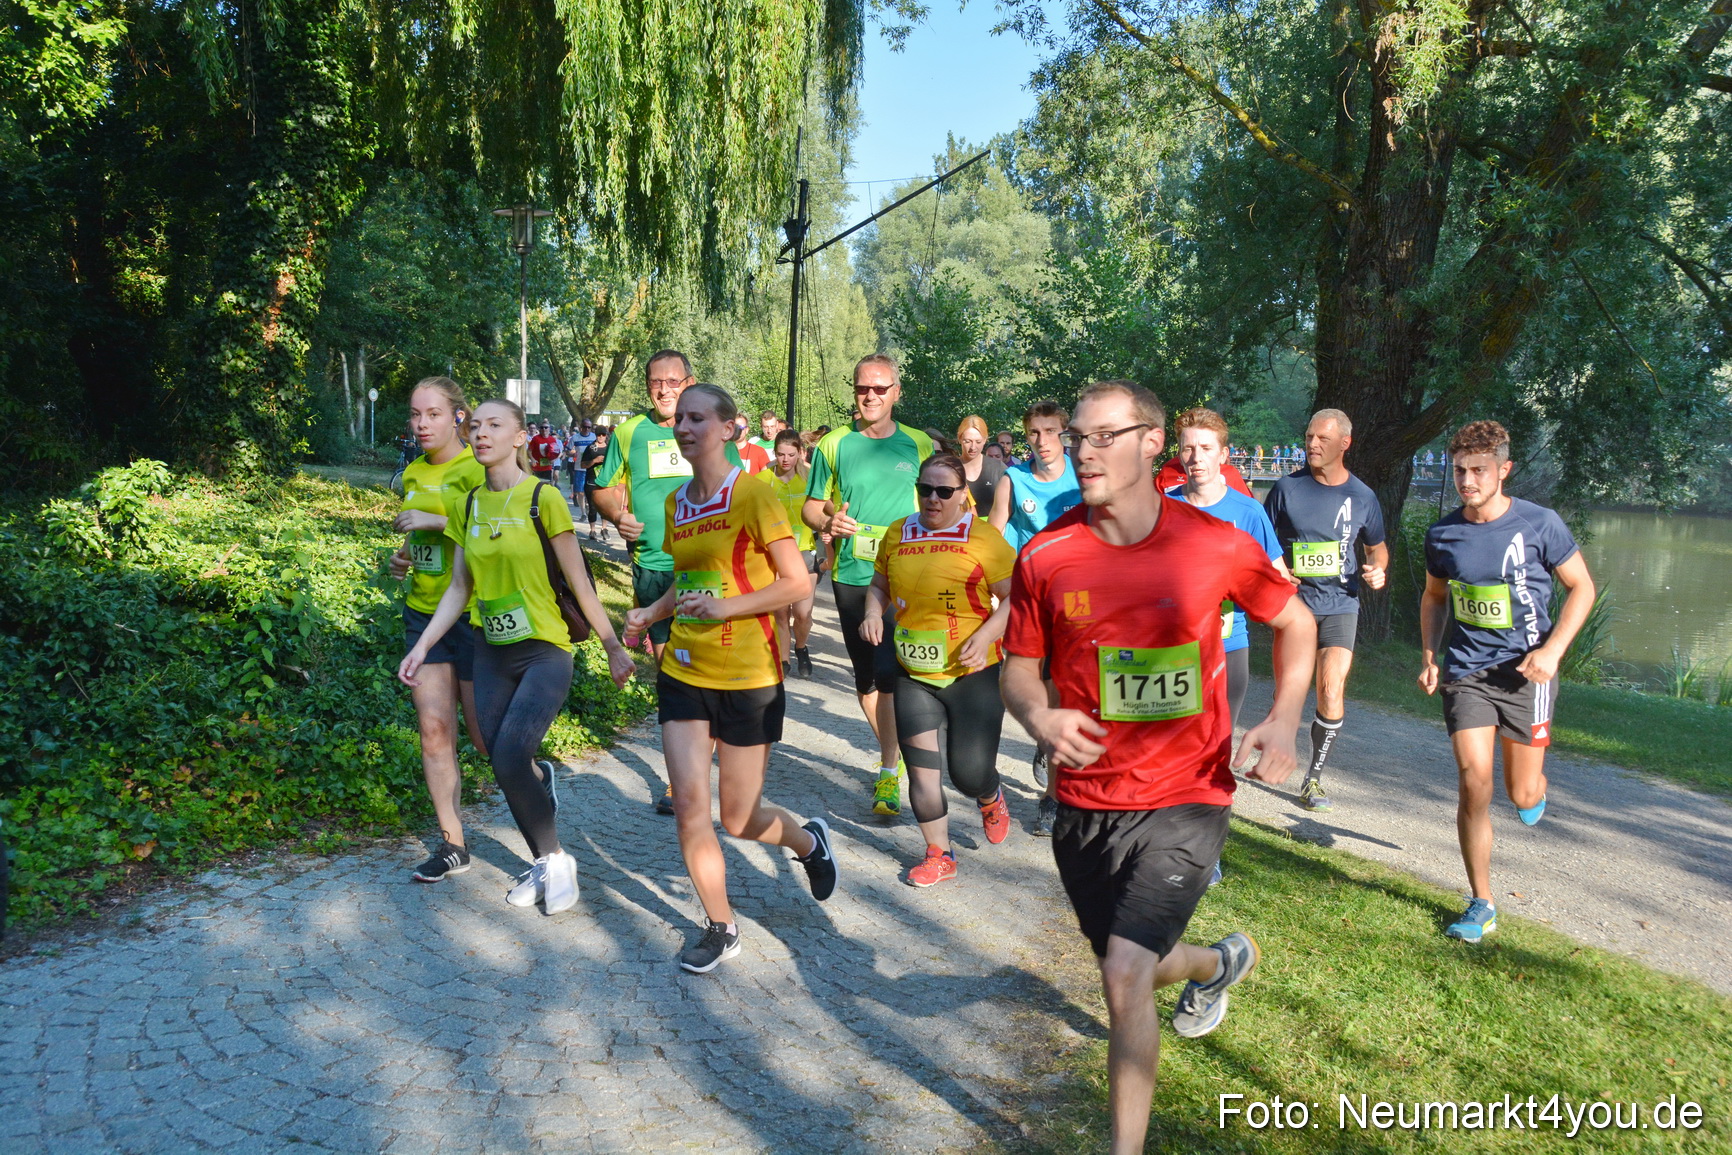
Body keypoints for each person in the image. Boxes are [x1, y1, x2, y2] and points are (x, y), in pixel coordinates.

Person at [1001, 381, 1316, 1155]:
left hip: (1187, 795)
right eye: (1077, 436)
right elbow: (1016, 667)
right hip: (1084, 801)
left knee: (1123, 975)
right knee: (1127, 962)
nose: (1082, 450)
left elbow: (1297, 620)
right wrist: (1038, 715)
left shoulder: (1212, 542)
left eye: (1105, 435)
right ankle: (1217, 961)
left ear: (1151, 443)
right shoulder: (1046, 553)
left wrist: (1281, 717)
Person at [623, 383, 834, 973]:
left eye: (697, 418)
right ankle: (721, 925)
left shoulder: (755, 496)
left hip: (748, 674)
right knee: (691, 803)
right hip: (685, 671)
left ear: (726, 428)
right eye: (680, 419)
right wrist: (651, 612)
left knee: (738, 817)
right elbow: (687, 584)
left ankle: (809, 842)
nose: (685, 427)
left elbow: (797, 584)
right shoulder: (674, 503)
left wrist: (730, 608)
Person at [399, 399, 636, 914]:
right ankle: (546, 861)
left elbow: (578, 580)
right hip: (490, 651)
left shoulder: (543, 498)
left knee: (508, 755)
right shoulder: (468, 506)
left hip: (544, 651)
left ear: (519, 437)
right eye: (476, 426)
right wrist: (421, 646)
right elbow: (460, 587)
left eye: (494, 426)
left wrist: (613, 646)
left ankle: (554, 860)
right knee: (500, 757)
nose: (481, 434)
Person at [1419, 420, 1595, 942]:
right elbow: (1433, 597)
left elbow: (1581, 588)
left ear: (1504, 469)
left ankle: (1533, 791)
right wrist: (1431, 654)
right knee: (1474, 782)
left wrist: (1553, 651)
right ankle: (1482, 902)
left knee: (1520, 793)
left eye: (1478, 470)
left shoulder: (1541, 524)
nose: (1467, 481)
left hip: (1527, 675)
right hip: (1467, 671)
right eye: (1459, 471)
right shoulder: (1443, 533)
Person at [593, 350, 743, 812]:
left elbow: (736, 489)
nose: (663, 390)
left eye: (672, 382)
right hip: (653, 567)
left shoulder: (707, 427)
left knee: (704, 669)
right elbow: (601, 487)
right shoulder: (628, 432)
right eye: (655, 382)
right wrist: (617, 514)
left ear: (688, 382)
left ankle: (693, 770)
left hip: (704, 570)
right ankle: (688, 774)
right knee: (671, 673)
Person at [862, 453, 1016, 886]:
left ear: (961, 495)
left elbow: (1017, 597)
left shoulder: (983, 538)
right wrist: (874, 612)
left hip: (972, 672)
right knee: (923, 770)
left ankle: (989, 794)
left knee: (968, 773)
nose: (932, 498)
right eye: (925, 489)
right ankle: (938, 853)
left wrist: (985, 636)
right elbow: (878, 585)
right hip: (914, 674)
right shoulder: (898, 532)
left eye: (943, 491)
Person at [803, 354, 935, 818]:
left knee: (892, 674)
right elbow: (811, 507)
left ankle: (888, 769)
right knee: (865, 679)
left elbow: (941, 505)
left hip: (906, 575)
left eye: (881, 388)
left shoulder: (918, 444)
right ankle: (895, 758)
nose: (871, 396)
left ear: (897, 392)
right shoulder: (834, 445)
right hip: (853, 575)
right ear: (855, 393)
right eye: (864, 388)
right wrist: (828, 518)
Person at [1262, 408, 1389, 813]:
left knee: (1331, 688)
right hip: (1294, 606)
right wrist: (1279, 571)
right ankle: (1275, 751)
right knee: (1291, 693)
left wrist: (1379, 569)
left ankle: (1313, 781)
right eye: (1309, 436)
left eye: (1322, 439)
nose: (1312, 444)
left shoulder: (1363, 496)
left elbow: (1376, 546)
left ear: (1344, 444)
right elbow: (1261, 542)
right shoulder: (1286, 489)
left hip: (1341, 604)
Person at [387, 377, 489, 882]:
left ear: (457, 416)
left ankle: (537, 778)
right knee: (433, 732)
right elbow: (422, 544)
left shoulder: (478, 468)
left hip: (475, 617)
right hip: (424, 613)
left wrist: (434, 520)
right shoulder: (411, 472)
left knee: (486, 738)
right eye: (414, 415)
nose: (422, 424)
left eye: (431, 414)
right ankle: (453, 843)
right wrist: (404, 558)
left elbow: (491, 532)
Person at [990, 400, 1082, 835]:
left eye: (1050, 432)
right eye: (1033, 433)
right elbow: (992, 538)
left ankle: (1053, 799)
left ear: (1064, 433)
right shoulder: (1014, 479)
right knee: (1040, 694)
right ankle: (1046, 750)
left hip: (1080, 602)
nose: (1042, 441)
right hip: (1033, 601)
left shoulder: (1083, 476)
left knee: (1067, 694)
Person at [1163, 408, 1285, 730]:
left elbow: (1280, 579)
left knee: (1219, 745)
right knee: (1173, 748)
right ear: (1179, 453)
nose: (1196, 457)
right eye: (1188, 448)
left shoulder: (1248, 512)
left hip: (1230, 645)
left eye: (1206, 449)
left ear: (1224, 455)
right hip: (1172, 647)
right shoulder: (1162, 507)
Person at [766, 429, 817, 678]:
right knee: (780, 612)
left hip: (806, 552)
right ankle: (783, 661)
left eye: (790, 454)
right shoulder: (762, 479)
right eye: (780, 454)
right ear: (774, 453)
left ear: (800, 453)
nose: (785, 460)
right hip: (774, 557)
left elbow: (826, 509)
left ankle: (801, 646)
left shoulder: (810, 477)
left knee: (803, 613)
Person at [955, 414, 1006, 513]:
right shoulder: (951, 469)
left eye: (978, 442)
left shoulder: (998, 468)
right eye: (968, 441)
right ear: (960, 439)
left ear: (985, 440)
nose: (973, 447)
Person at [579, 424, 610, 540]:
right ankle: (592, 530)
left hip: (605, 480)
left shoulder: (609, 447)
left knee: (605, 506)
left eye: (603, 435)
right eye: (598, 435)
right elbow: (582, 464)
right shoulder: (590, 448)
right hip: (591, 480)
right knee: (592, 506)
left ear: (606, 435)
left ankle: (604, 528)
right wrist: (594, 461)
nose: (601, 437)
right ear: (595, 435)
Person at [567, 418, 597, 504]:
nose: (586, 429)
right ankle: (583, 512)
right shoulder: (575, 438)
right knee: (580, 491)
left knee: (591, 490)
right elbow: (567, 451)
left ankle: (588, 505)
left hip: (591, 468)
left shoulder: (594, 437)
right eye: (584, 427)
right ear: (581, 427)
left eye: (589, 427)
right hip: (579, 467)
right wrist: (572, 454)